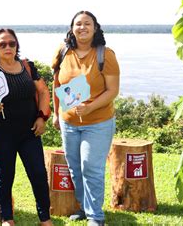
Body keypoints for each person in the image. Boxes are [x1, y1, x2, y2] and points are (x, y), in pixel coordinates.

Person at [0, 28, 53, 226]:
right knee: (6, 175)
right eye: (2, 44)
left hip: (29, 132)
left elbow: (43, 91)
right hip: (2, 133)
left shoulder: (27, 66)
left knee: (38, 174)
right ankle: (7, 219)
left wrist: (42, 118)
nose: (8, 47)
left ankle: (45, 218)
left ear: (16, 45)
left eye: (12, 43)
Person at [51, 11, 120, 226]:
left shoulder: (105, 55)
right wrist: (56, 113)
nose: (82, 27)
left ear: (95, 28)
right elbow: (56, 84)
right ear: (72, 28)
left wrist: (90, 108)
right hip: (68, 122)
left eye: (87, 23)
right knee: (75, 167)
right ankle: (84, 206)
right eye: (78, 24)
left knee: (91, 166)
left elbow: (112, 90)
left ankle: (95, 217)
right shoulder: (63, 52)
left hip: (98, 122)